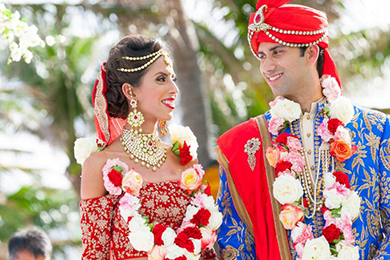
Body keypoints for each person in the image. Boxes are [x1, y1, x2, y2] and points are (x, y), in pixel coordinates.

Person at [216, 0, 390, 259]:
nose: (267, 67)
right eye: (262, 56)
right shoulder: (245, 144)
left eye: (277, 52)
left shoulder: (375, 131)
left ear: (311, 53)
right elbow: (233, 239)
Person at [78, 35, 219, 260]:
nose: (174, 89)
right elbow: (94, 255)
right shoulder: (100, 165)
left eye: (173, 78)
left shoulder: (185, 161)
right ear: (130, 91)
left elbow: (205, 246)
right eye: (161, 79)